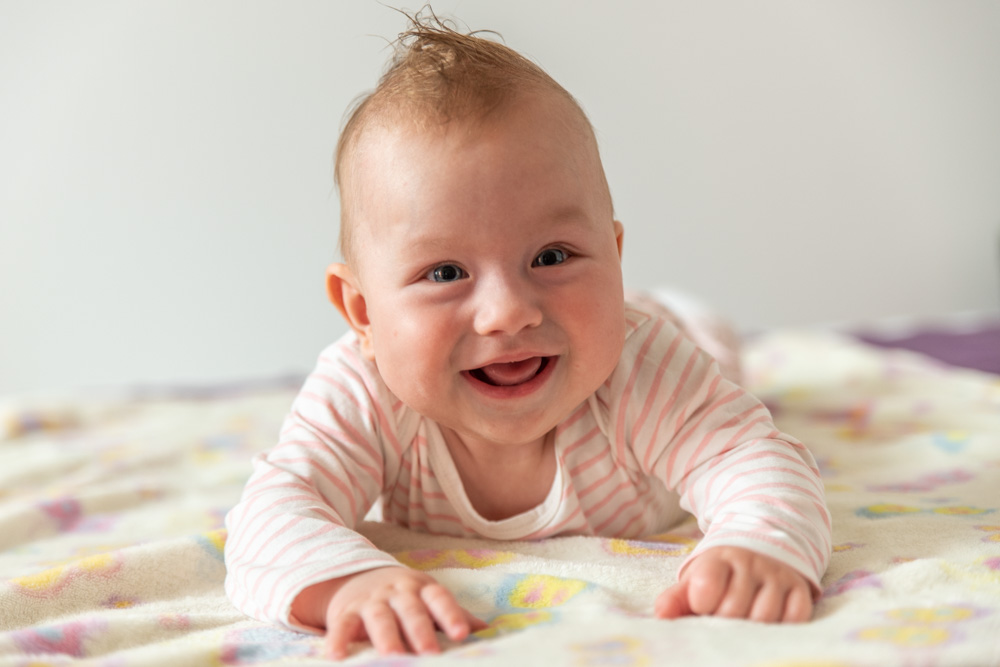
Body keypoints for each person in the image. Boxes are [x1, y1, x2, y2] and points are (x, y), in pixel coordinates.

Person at [224, 12, 832, 660]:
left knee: (707, 347)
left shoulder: (640, 365)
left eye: (552, 255)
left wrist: (756, 543)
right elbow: (272, 511)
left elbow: (750, 459)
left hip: (673, 336)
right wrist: (350, 582)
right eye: (446, 272)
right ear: (364, 314)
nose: (507, 313)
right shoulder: (365, 390)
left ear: (614, 256)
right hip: (590, 328)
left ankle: (679, 313)